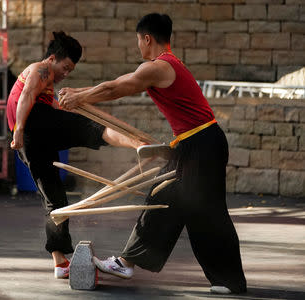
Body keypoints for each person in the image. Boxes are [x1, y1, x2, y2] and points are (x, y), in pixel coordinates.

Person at [58, 13, 247, 294]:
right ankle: (222, 279)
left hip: (201, 146)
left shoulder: (159, 67)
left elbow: (116, 88)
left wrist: (80, 98)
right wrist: (79, 92)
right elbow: (119, 82)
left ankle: (129, 262)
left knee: (194, 208)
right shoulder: (165, 65)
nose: (138, 47)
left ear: (147, 38)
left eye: (138, 41)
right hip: (196, 144)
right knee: (175, 201)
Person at [6, 31, 143, 279]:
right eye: (65, 67)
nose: (65, 74)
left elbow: (49, 109)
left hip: (32, 141)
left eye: (70, 71)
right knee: (87, 129)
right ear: (53, 58)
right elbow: (25, 97)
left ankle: (59, 262)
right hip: (30, 127)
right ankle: (137, 145)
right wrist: (18, 130)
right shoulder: (41, 69)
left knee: (55, 200)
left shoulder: (47, 87)